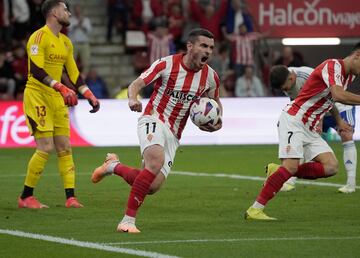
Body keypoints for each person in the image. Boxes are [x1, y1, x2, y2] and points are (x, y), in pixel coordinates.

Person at [91, 28, 223, 233]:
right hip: (153, 118)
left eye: (211, 48)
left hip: (174, 134)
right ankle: (127, 221)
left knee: (151, 186)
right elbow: (137, 83)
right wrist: (133, 98)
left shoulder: (211, 77)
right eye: (203, 45)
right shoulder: (167, 64)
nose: (208, 51)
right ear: (190, 46)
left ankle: (113, 166)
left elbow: (215, 103)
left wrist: (217, 123)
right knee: (155, 162)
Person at [245, 42, 360, 220]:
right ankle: (255, 209)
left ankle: (279, 172)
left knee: (331, 167)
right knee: (291, 166)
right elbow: (338, 95)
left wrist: (338, 120)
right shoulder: (332, 66)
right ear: (356, 56)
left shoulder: (348, 76)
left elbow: (331, 100)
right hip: (294, 120)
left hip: (309, 126)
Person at [18, 0, 100, 209]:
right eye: (65, 9)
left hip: (56, 98)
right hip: (37, 95)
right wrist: (61, 87)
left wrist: (88, 93)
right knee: (45, 147)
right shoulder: (38, 37)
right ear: (54, 12)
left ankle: (70, 198)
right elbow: (36, 71)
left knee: (64, 147)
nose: (69, 13)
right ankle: (26, 197)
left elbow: (73, 73)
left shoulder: (65, 42)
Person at [268, 65, 357, 193]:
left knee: (346, 135)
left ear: (291, 78)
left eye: (285, 87)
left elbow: (328, 97)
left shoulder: (305, 77)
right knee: (302, 138)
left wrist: (334, 121)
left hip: (338, 105)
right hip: (317, 110)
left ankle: (351, 184)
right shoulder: (284, 77)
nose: (285, 90)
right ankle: (289, 179)